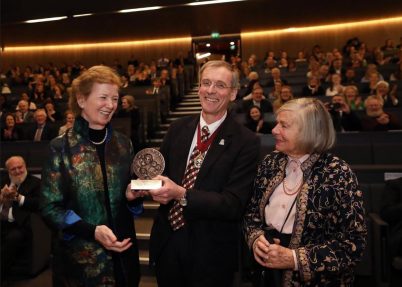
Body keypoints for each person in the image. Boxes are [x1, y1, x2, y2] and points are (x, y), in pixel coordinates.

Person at [136, 60, 260, 287]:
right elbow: (159, 174)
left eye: (220, 85)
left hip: (211, 254)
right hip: (168, 244)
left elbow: (233, 204)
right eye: (206, 83)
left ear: (233, 94)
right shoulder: (177, 128)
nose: (211, 90)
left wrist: (181, 193)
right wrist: (142, 186)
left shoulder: (246, 141)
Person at [244, 98, 367, 286]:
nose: (274, 130)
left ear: (309, 132)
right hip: (265, 274)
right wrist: (255, 239)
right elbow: (251, 212)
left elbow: (353, 244)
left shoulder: (338, 173)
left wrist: (294, 258)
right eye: (277, 123)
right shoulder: (270, 162)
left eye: (284, 125)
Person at [40, 65, 141, 286]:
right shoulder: (61, 147)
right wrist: (92, 231)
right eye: (103, 97)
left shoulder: (124, 144)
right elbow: (49, 207)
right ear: (81, 100)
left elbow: (127, 199)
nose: (111, 105)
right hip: (81, 264)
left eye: (114, 98)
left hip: (124, 256)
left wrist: (134, 197)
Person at [1, 156, 41, 284]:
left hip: (21, 225)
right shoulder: (3, 181)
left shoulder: (35, 183)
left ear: (25, 167)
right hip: (1, 222)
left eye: (20, 167)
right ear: (8, 171)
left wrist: (18, 197)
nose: (18, 171)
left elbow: (39, 203)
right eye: (13, 169)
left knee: (13, 238)